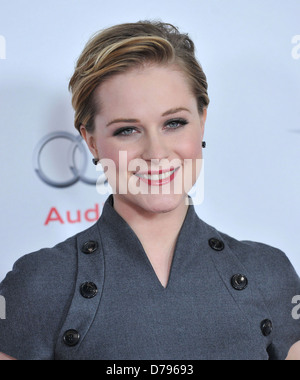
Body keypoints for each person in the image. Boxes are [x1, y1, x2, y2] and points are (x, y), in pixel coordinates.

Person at [0, 21, 299, 360]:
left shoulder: (269, 272)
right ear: (91, 142)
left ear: (202, 119)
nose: (156, 153)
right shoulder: (39, 283)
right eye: (127, 130)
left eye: (174, 123)